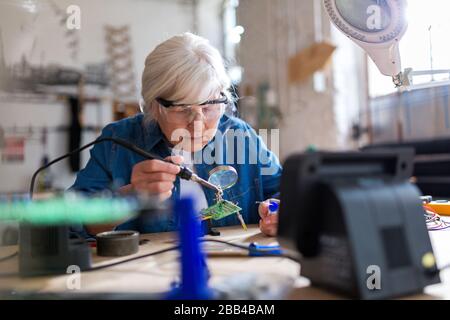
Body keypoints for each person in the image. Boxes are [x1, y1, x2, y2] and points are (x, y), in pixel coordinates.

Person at [70, 33, 280, 237]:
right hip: (147, 271)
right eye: (182, 110)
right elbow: (73, 222)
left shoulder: (240, 136)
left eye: (209, 107)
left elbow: (285, 193)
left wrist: (276, 210)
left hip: (236, 268)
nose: (198, 125)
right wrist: (130, 197)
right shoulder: (117, 141)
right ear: (153, 106)